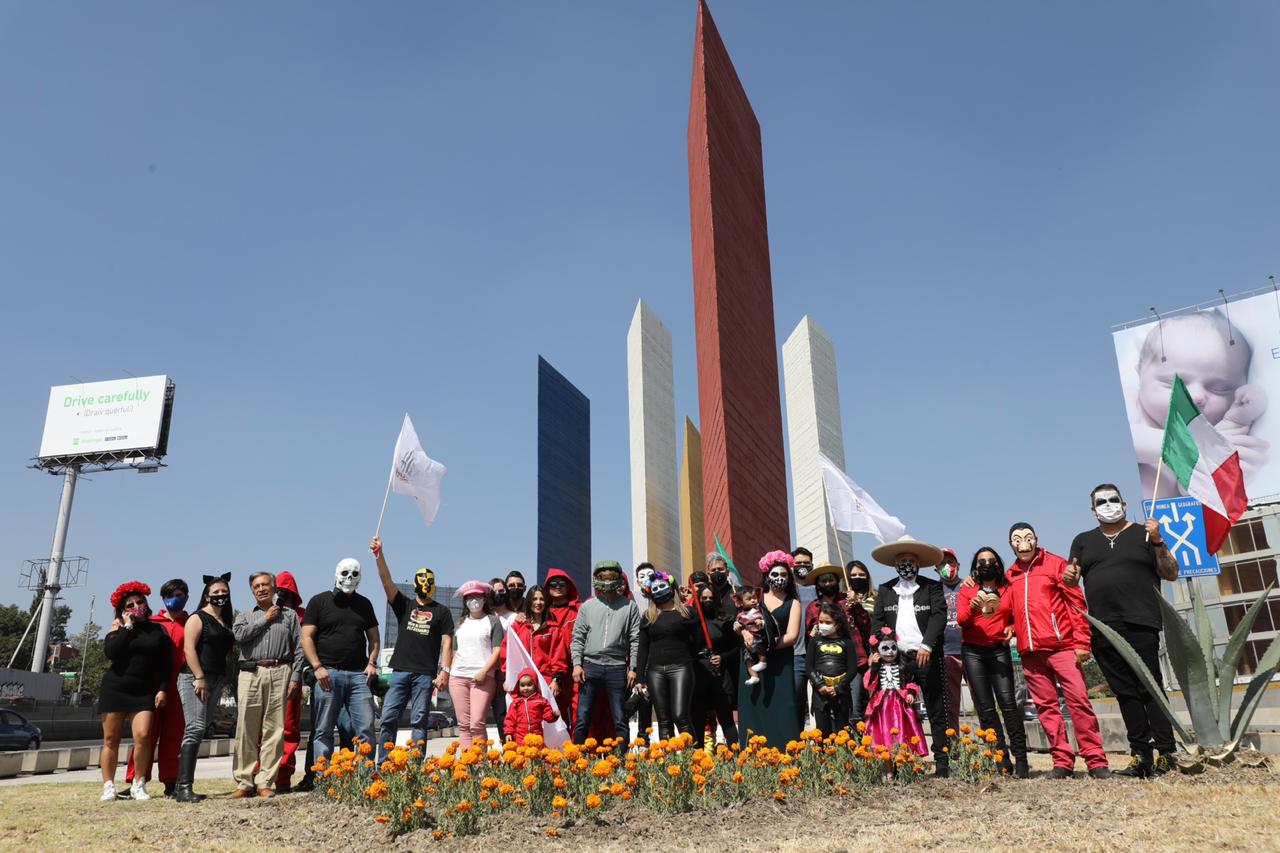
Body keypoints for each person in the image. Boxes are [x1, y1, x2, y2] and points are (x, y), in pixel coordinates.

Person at [1068, 485, 1180, 777]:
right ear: (1093, 510)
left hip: (1141, 621)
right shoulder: (1083, 541)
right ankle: (1140, 755)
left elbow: (1171, 572)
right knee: (1125, 692)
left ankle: (1166, 752)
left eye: (1113, 499)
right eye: (1101, 502)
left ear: (1124, 503)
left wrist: (1157, 541)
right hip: (1104, 627)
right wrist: (1069, 577)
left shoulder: (1144, 534)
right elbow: (1072, 579)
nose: (1108, 505)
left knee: (1150, 687)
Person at [1007, 523, 1110, 780]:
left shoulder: (1056, 564)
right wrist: (1011, 626)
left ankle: (1096, 760)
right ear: (1011, 544)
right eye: (1017, 539)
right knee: (1047, 709)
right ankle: (1062, 761)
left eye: (1028, 538)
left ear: (1036, 539)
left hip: (1061, 647)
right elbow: (1010, 611)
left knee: (1079, 702)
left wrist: (1082, 643)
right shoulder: (1010, 575)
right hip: (1030, 653)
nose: (1023, 543)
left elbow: (1076, 602)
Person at [1129, 311, 1266, 497]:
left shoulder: (1214, 433)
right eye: (1174, 382)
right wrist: (1198, 444)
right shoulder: (1133, 406)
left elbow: (1189, 491)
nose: (1195, 396)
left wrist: (1237, 418)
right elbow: (1131, 443)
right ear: (1140, 374)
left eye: (1220, 387)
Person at [870, 536, 949, 776]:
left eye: (911, 560)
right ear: (895, 563)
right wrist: (881, 650)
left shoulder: (931, 587)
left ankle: (943, 763)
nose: (907, 564)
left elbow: (939, 617)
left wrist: (927, 645)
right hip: (897, 660)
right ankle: (901, 763)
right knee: (897, 711)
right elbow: (877, 623)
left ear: (919, 563)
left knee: (937, 708)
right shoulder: (885, 590)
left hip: (927, 655)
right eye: (902, 560)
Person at [370, 537, 453, 762]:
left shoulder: (442, 612)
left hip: (425, 674)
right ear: (416, 584)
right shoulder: (405, 605)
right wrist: (380, 555)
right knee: (388, 717)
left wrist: (445, 671)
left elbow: (447, 642)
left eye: (429, 581)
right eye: (422, 581)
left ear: (433, 584)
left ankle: (416, 766)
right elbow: (386, 581)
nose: (425, 585)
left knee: (419, 721)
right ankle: (384, 763)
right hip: (400, 671)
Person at [301, 558, 380, 768]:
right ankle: (323, 778)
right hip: (328, 674)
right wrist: (317, 667)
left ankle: (365, 779)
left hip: (358, 676)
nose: (349, 578)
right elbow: (306, 636)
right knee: (323, 729)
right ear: (336, 574)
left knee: (365, 729)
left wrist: (372, 662)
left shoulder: (364, 604)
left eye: (355, 574)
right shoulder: (319, 602)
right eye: (345, 573)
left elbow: (374, 637)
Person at [956, 549, 1028, 778]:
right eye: (982, 561)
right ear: (975, 566)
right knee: (986, 709)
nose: (987, 564)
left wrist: (1012, 629)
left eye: (991, 561)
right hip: (973, 652)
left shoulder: (1009, 588)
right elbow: (961, 620)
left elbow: (1018, 617)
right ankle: (1001, 760)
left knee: (1008, 704)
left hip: (999, 650)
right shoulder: (967, 589)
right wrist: (974, 606)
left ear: (998, 564)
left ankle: (1022, 760)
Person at [232, 572, 304, 797]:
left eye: (265, 585)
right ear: (252, 591)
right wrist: (266, 619)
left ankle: (265, 781)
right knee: (246, 728)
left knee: (274, 729)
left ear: (274, 588)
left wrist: (295, 677)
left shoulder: (290, 615)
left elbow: (300, 648)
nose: (261, 589)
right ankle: (244, 782)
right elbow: (239, 636)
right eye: (256, 586)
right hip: (250, 672)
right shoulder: (244, 616)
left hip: (280, 670)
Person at [99, 582, 172, 802]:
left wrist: (163, 689)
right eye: (130, 604)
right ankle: (109, 785)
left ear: (147, 604)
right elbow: (111, 653)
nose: (136, 606)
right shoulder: (117, 629)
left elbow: (165, 665)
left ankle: (138, 784)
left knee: (143, 737)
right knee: (111, 739)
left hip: (143, 691)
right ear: (123, 610)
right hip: (115, 688)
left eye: (140, 602)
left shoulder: (157, 630)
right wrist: (127, 627)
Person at [123, 578, 187, 798]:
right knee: (144, 735)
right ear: (162, 599)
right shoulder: (152, 623)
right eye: (170, 595)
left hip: (180, 686)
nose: (175, 599)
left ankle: (170, 782)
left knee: (173, 736)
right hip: (151, 685)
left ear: (186, 597)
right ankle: (136, 780)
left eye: (180, 595)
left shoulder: (192, 623)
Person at [174, 573, 235, 803]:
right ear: (207, 595)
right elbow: (189, 649)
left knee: (201, 729)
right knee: (195, 728)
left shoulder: (224, 621)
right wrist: (199, 677)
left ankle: (184, 784)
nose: (220, 595)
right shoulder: (198, 618)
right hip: (195, 678)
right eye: (216, 592)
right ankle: (183, 788)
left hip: (217, 679)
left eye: (224, 592)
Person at [734, 550, 802, 748]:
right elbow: (738, 622)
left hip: (780, 662)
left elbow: (792, 636)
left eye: (783, 575)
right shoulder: (755, 597)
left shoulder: (793, 603)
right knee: (754, 705)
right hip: (751, 661)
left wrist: (768, 645)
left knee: (782, 707)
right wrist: (744, 633)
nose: (779, 579)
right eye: (775, 574)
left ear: (789, 577)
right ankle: (753, 756)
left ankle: (786, 753)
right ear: (766, 575)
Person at [570, 561, 641, 747]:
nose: (607, 580)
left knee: (620, 717)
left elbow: (635, 639)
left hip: (617, 666)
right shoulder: (587, 607)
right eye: (603, 576)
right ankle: (576, 760)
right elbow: (577, 637)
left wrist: (633, 667)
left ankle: (623, 762)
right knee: (583, 716)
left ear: (618, 578)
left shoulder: (629, 607)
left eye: (611, 575)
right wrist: (577, 664)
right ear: (596, 579)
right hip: (590, 665)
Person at [636, 572, 699, 740]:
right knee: (664, 721)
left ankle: (692, 760)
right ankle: (667, 761)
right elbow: (642, 649)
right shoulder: (648, 616)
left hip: (681, 668)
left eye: (662, 586)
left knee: (680, 715)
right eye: (654, 588)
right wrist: (640, 679)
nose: (659, 590)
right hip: (655, 671)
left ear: (671, 588)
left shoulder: (687, 612)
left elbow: (698, 641)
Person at [449, 580, 505, 748]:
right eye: (469, 597)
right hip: (457, 678)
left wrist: (484, 671)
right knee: (464, 726)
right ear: (465, 601)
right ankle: (467, 767)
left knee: (477, 723)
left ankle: (480, 766)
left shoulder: (493, 622)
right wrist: (449, 671)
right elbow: (454, 652)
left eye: (477, 597)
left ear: (484, 599)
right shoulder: (460, 623)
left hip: (482, 678)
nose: (474, 601)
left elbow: (497, 650)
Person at [863, 627, 928, 758]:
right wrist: (874, 667)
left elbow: (911, 681)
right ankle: (888, 768)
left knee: (904, 733)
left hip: (901, 706)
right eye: (885, 649)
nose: (890, 652)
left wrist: (911, 692)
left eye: (893, 648)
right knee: (884, 735)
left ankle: (904, 764)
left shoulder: (903, 665)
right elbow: (868, 685)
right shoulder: (876, 668)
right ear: (877, 651)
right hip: (882, 708)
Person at [272, 571, 306, 792]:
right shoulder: (266, 613)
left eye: (287, 594)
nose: (283, 597)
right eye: (279, 593)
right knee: (262, 730)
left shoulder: (303, 616)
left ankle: (283, 778)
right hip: (267, 674)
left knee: (288, 728)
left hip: (292, 676)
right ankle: (259, 776)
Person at [694, 584, 738, 744]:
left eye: (711, 598)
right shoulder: (693, 621)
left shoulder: (725, 621)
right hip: (699, 675)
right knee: (698, 721)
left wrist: (722, 657)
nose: (707, 601)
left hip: (720, 676)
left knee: (726, 720)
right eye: (704, 598)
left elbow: (735, 648)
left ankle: (735, 757)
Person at [807, 604, 859, 736]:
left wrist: (838, 687)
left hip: (841, 692)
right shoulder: (815, 641)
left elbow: (852, 668)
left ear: (838, 623)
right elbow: (809, 666)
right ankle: (823, 755)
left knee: (843, 731)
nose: (823, 625)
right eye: (821, 622)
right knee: (822, 731)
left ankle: (843, 756)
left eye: (828, 622)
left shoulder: (847, 642)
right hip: (820, 693)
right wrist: (819, 685)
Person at [511, 586, 569, 702]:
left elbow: (558, 656)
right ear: (529, 601)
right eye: (534, 599)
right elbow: (508, 653)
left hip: (546, 682)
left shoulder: (553, 628)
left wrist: (555, 680)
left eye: (542, 599)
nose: (538, 602)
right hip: (522, 683)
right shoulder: (518, 626)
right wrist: (509, 679)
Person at [544, 568, 582, 723]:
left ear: (569, 586)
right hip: (552, 671)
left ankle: (579, 746)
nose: (557, 586)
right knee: (555, 712)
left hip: (576, 668)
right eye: (553, 584)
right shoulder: (542, 612)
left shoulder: (580, 609)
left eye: (562, 583)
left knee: (579, 710)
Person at [935, 548, 965, 736]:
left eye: (951, 562)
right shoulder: (932, 590)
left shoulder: (969, 586)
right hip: (946, 652)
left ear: (958, 565)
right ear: (936, 568)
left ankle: (991, 747)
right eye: (942, 563)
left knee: (982, 701)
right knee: (951, 704)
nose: (947, 566)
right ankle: (953, 748)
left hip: (971, 651)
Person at [488, 577, 519, 741]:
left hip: (505, 674)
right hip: (486, 672)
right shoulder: (484, 617)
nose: (498, 594)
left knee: (505, 714)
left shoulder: (514, 618)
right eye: (494, 591)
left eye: (502, 591)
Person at [845, 560, 875, 724]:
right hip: (853, 655)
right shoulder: (843, 599)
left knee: (872, 699)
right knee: (854, 700)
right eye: (854, 575)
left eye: (861, 575)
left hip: (871, 652)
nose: (857, 578)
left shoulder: (875, 597)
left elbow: (877, 625)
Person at [790, 547, 814, 728]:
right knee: (797, 701)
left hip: (817, 654)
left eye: (806, 563)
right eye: (798, 564)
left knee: (821, 702)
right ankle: (796, 742)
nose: (802, 567)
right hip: (796, 654)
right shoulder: (787, 590)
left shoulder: (819, 587)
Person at [503, 668, 559, 744]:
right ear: (518, 686)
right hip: (520, 736)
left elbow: (547, 716)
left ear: (535, 685)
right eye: (522, 685)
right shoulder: (516, 702)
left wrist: (554, 715)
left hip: (536, 734)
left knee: (536, 753)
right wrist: (508, 732)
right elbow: (510, 719)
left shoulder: (541, 700)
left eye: (529, 685)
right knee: (522, 754)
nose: (526, 688)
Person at [733, 587, 770, 685]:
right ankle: (754, 676)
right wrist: (736, 625)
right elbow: (737, 623)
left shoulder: (758, 610)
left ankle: (763, 662)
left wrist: (760, 621)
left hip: (757, 635)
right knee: (747, 659)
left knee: (760, 649)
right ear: (741, 602)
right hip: (746, 642)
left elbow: (766, 621)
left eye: (754, 597)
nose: (753, 600)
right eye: (749, 599)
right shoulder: (740, 614)